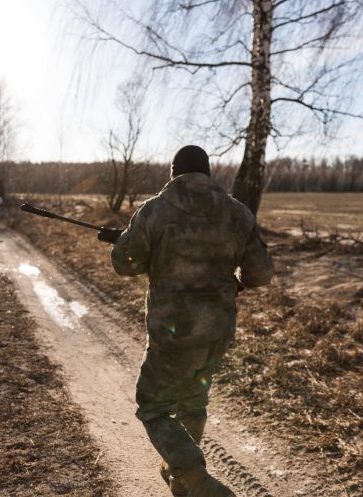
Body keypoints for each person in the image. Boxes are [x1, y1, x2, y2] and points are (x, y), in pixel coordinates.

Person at [97, 145, 274, 497]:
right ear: (207, 174)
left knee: (154, 406)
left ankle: (194, 477)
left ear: (173, 173)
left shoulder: (154, 211)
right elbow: (261, 273)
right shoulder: (237, 213)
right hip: (217, 331)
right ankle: (178, 475)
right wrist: (234, 282)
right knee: (193, 402)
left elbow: (125, 264)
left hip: (173, 333)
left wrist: (126, 243)